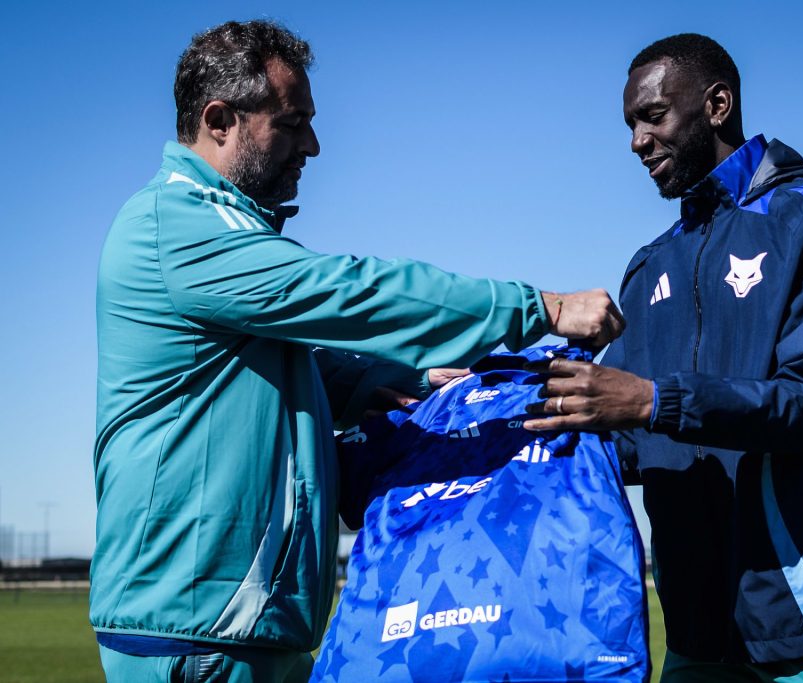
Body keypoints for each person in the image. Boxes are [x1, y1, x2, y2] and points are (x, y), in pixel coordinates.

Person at [91, 19, 623, 682]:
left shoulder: (208, 232)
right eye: (292, 122)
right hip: (196, 628)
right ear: (221, 118)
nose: (313, 145)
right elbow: (349, 293)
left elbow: (287, 364)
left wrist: (404, 378)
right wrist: (539, 307)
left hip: (233, 629)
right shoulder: (180, 226)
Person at [524, 33, 803, 682]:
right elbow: (628, 437)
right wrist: (495, 412)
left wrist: (652, 399)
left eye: (653, 116)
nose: (637, 141)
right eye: (630, 124)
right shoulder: (649, 265)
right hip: (692, 629)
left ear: (717, 105)